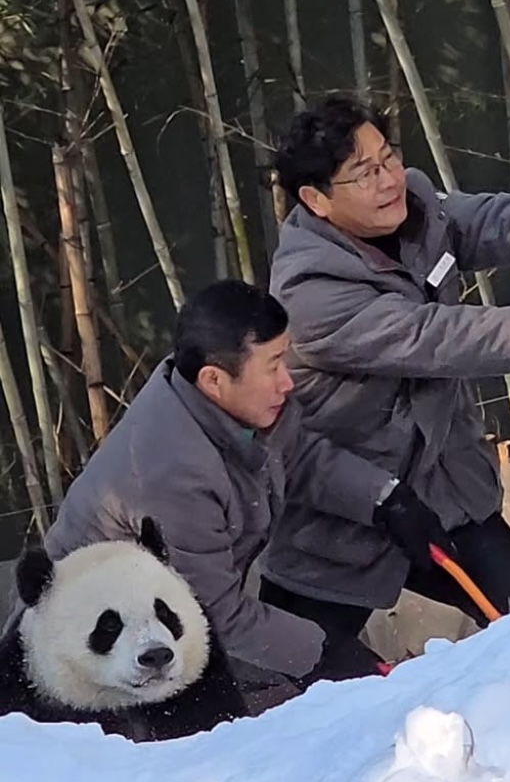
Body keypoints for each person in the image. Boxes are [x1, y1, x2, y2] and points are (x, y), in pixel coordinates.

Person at [258, 91, 510, 654]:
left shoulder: (413, 201)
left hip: (443, 487)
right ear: (316, 200)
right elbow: (435, 336)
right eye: (364, 173)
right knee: (306, 679)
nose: (389, 178)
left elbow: (489, 222)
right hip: (343, 511)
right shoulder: (309, 292)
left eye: (388, 156)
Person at [22, 280, 400, 702]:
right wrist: (324, 652)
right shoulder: (171, 473)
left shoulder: (217, 396)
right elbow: (219, 613)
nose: (287, 382)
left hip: (166, 634)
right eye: (273, 365)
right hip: (97, 669)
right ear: (215, 379)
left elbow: (298, 455)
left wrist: (385, 498)